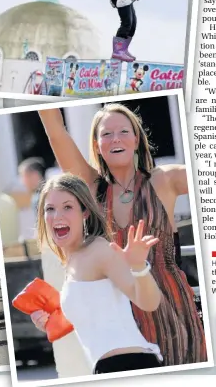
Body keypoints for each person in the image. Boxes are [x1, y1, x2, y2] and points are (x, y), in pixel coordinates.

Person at [38, 105, 207, 365]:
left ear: (136, 139)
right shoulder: (92, 186)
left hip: (173, 305)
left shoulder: (165, 179)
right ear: (96, 145)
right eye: (106, 134)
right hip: (123, 313)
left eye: (123, 131)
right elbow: (55, 131)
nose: (115, 138)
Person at [34, 173, 163, 374]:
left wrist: (139, 266)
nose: (57, 216)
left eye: (68, 207)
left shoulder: (99, 249)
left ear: (85, 212)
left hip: (129, 364)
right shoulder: (71, 261)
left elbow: (149, 302)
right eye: (50, 209)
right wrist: (50, 324)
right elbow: (95, 320)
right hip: (106, 367)